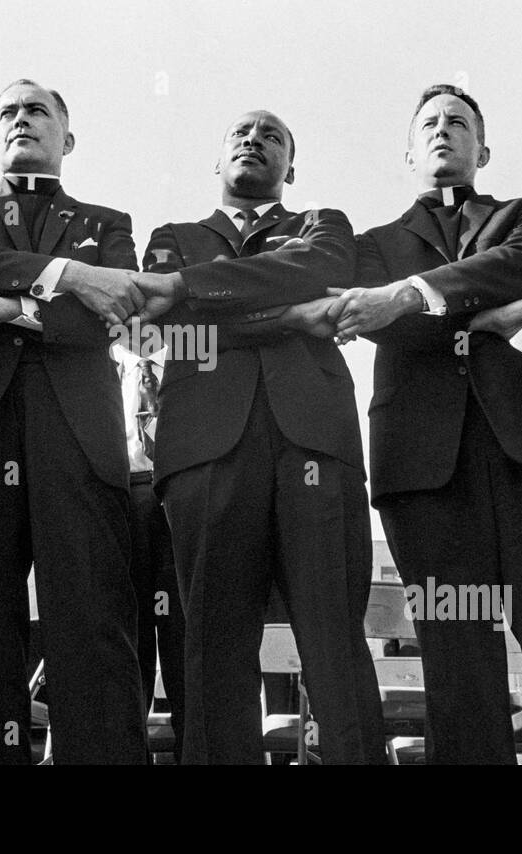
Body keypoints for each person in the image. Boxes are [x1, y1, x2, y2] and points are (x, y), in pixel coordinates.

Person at [326, 86, 522, 764]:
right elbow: (381, 330)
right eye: (429, 124)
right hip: (422, 470)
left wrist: (409, 297)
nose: (444, 131)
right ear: (408, 153)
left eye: (459, 123)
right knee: (457, 667)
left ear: (483, 150)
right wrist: (493, 317)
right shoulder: (368, 245)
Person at [132, 110, 386, 764]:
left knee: (334, 643)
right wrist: (285, 311)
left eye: (273, 137)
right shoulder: (171, 237)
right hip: (203, 453)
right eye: (242, 134)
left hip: (316, 447)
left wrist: (218, 305)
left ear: (291, 169)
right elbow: (170, 318)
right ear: (216, 163)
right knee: (212, 653)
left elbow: (322, 274)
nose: (254, 140)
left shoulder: (322, 226)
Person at [0, 79, 148, 764]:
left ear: (67, 139)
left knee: (89, 615)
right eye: (8, 112)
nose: (22, 120)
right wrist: (68, 277)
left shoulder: (109, 223)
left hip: (79, 433)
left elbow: (113, 309)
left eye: (38, 111)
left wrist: (9, 305)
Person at [110, 337, 186, 760]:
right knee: (126, 654)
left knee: (188, 650)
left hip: (182, 501)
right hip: (121, 502)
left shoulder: (196, 361)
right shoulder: (94, 368)